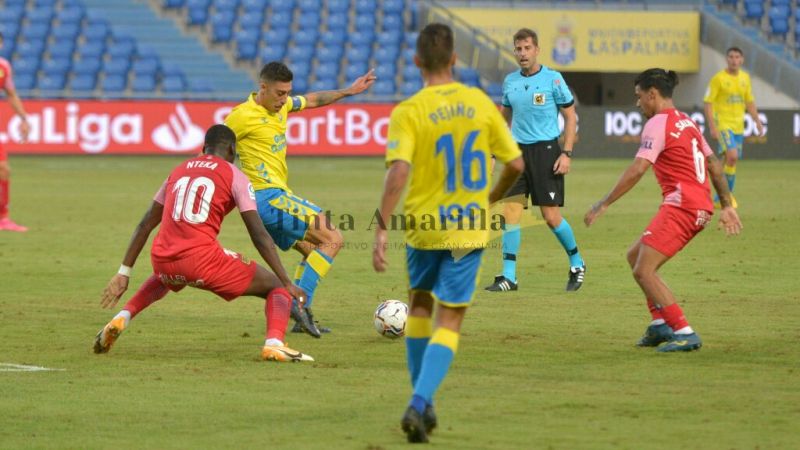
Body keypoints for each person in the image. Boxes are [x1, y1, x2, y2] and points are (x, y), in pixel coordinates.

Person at [372, 23, 524, 443]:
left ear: (417, 62)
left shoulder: (408, 110)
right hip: (467, 231)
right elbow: (515, 165)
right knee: (450, 318)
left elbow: (399, 171)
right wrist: (489, 198)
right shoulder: (480, 103)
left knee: (419, 307)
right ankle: (421, 402)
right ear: (456, 59)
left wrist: (382, 227)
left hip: (423, 227)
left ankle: (423, 400)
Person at [93, 124, 314, 362]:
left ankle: (122, 317)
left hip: (163, 260)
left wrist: (123, 272)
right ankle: (275, 344)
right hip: (200, 260)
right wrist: (287, 281)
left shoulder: (177, 171)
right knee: (275, 287)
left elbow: (145, 224)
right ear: (232, 149)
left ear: (203, 148)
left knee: (168, 275)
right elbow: (258, 234)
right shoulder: (234, 175)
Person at [584, 68, 743, 352]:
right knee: (635, 257)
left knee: (645, 270)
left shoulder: (658, 123)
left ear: (652, 94)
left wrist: (604, 202)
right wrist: (727, 205)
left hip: (683, 207)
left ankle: (684, 331)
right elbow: (715, 166)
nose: (637, 103)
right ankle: (660, 325)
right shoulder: (688, 122)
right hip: (698, 206)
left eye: (639, 96)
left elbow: (638, 169)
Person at [225, 62, 376, 337]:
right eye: (280, 93)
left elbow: (314, 99)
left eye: (287, 93)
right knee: (333, 239)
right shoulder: (241, 116)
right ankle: (300, 309)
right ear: (263, 87)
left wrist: (348, 91)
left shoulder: (281, 106)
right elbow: (218, 147)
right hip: (267, 198)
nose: (284, 99)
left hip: (271, 201)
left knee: (311, 250)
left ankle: (297, 317)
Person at [484, 28, 585, 293]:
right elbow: (503, 118)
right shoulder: (510, 82)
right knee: (510, 214)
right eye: (518, 49)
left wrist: (567, 153)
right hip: (517, 154)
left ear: (537, 50)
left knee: (550, 216)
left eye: (527, 48)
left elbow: (571, 116)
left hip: (547, 152)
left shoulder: (553, 79)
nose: (522, 53)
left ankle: (577, 262)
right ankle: (509, 277)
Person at [703, 47, 764, 208]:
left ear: (742, 60)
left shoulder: (745, 78)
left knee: (726, 161)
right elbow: (708, 102)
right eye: (731, 57)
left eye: (737, 57)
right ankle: (728, 197)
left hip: (738, 127)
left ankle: (718, 198)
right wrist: (712, 126)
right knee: (732, 156)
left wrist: (756, 120)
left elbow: (749, 101)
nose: (734, 60)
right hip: (723, 124)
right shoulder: (718, 79)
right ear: (726, 59)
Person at [0, 32, 31, 232]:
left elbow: (10, 93)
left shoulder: (3, 67)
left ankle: (3, 218)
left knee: (3, 169)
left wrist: (23, 118)